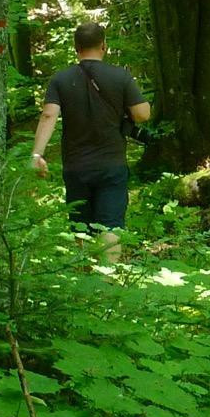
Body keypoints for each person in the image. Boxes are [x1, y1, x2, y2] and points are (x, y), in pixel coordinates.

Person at [32, 22, 150, 262]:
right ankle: (107, 277)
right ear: (104, 45)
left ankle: (85, 276)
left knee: (81, 226)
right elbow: (142, 115)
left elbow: (48, 116)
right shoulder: (121, 76)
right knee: (110, 225)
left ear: (76, 47)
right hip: (111, 165)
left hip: (76, 166)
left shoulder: (60, 79)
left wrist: (37, 154)